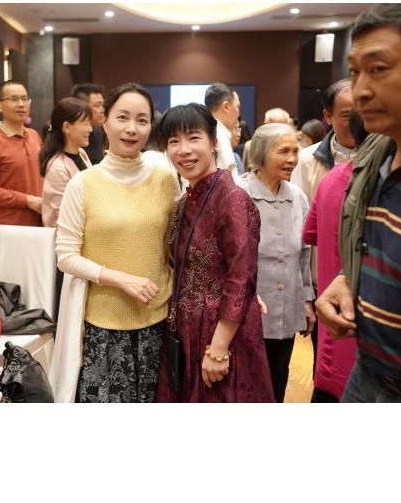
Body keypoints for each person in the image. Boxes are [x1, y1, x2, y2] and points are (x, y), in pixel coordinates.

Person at [316, 3, 401, 402]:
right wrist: (349, 279)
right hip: (368, 373)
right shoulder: (378, 155)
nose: (361, 90)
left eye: (378, 69)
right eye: (354, 72)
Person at [56, 82, 177, 403]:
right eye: (122, 117)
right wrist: (121, 279)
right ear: (104, 120)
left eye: (142, 120)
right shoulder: (82, 184)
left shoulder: (167, 181)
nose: (132, 128)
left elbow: (175, 247)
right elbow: (65, 256)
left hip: (158, 322)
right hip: (103, 326)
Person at [155, 103, 274, 403]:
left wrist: (219, 349)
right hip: (187, 330)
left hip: (221, 334)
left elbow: (241, 279)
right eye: (174, 141)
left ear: (214, 143)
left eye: (193, 138)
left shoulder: (233, 199)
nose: (183, 150)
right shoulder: (184, 203)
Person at [236, 123, 316, 402]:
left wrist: (307, 300)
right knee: (246, 386)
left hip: (286, 308)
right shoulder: (238, 193)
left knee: (278, 381)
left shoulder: (297, 197)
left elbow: (303, 254)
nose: (292, 159)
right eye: (283, 152)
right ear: (261, 154)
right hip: (245, 313)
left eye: (295, 151)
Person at [302, 110, 368, 402]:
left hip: (332, 336)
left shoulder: (330, 180)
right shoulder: (381, 186)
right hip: (364, 345)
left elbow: (310, 234)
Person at [0, 80, 43, 232]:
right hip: (8, 227)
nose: (21, 104)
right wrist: (26, 200)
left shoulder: (34, 135)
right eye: (14, 99)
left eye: (24, 99)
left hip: (40, 223)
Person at [291, 80, 357, 204]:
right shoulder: (307, 160)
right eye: (346, 115)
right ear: (328, 116)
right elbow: (298, 209)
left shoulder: (382, 158)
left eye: (361, 114)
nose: (356, 122)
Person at [40, 97, 93, 228]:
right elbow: (62, 216)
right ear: (67, 127)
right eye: (85, 123)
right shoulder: (58, 167)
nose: (90, 129)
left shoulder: (82, 153)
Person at [203, 83, 240, 176]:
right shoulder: (219, 135)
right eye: (238, 107)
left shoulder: (203, 130)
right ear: (226, 107)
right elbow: (224, 179)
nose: (238, 113)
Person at [71, 83, 106, 165]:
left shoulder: (98, 132)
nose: (102, 110)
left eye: (103, 105)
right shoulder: (71, 135)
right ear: (81, 106)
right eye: (97, 105)